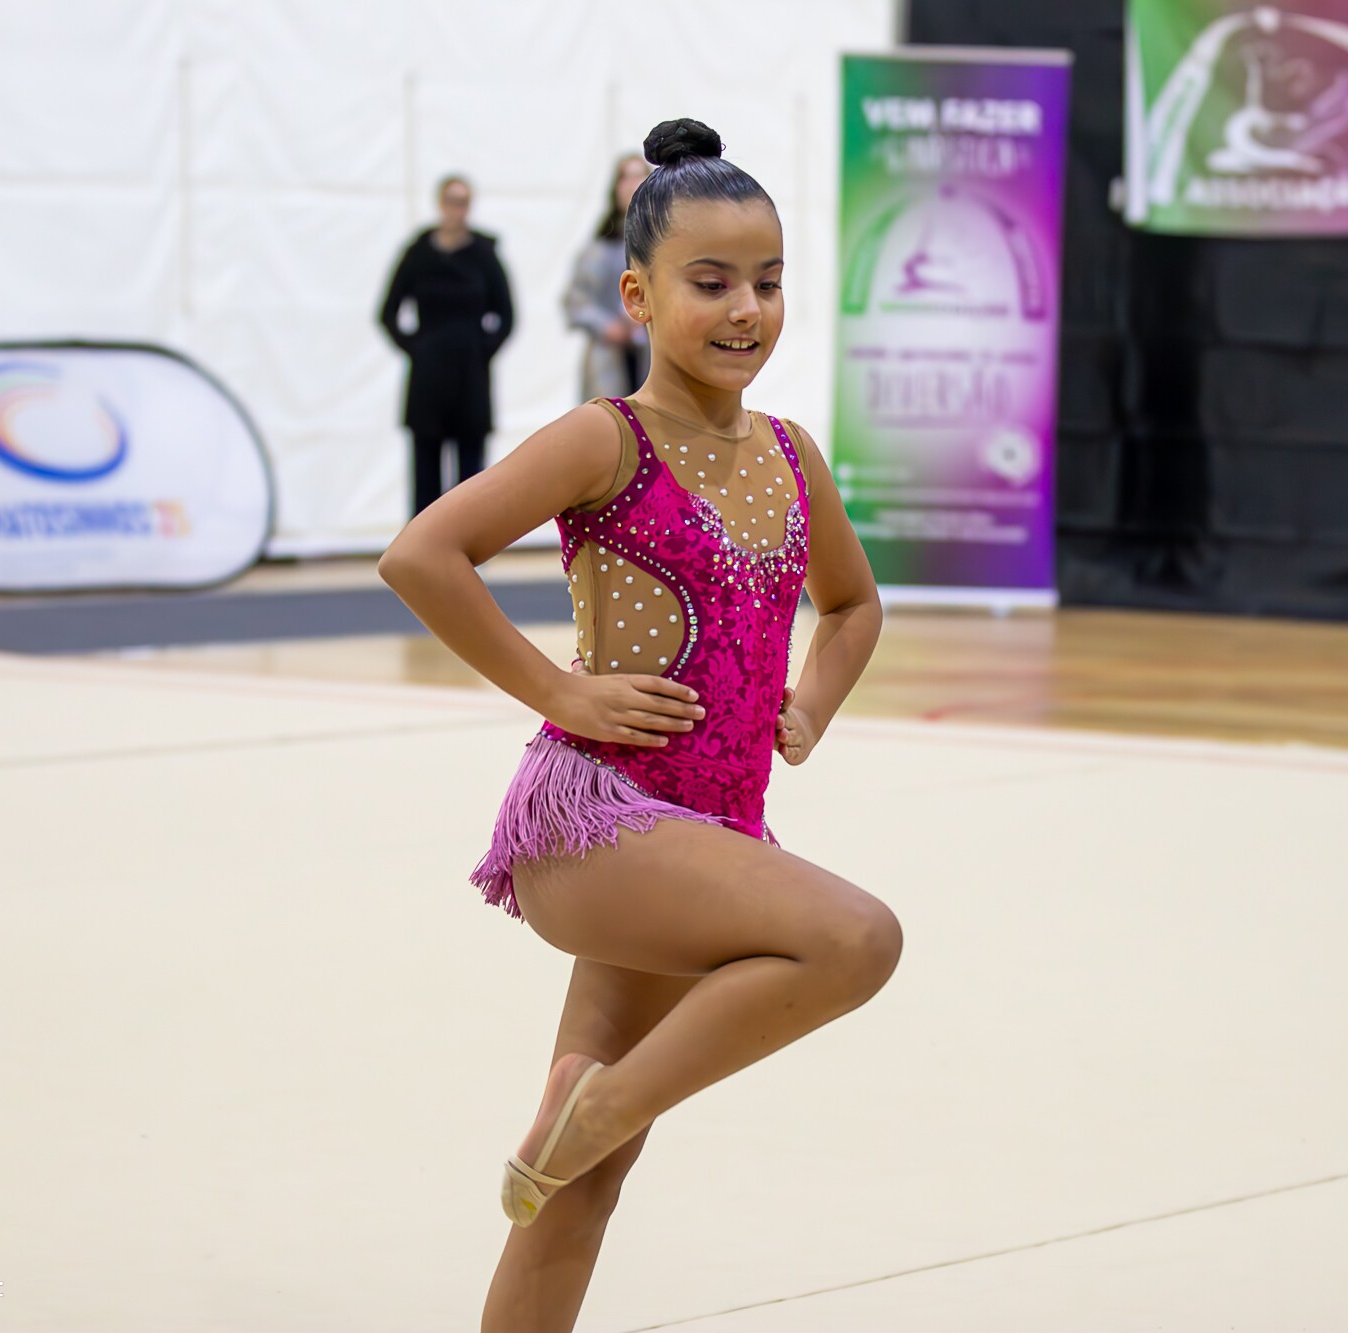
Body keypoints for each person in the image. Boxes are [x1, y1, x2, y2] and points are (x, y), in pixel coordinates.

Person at [377, 119, 897, 1332]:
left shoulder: (790, 453)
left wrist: (807, 702)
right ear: (637, 295)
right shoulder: (604, 437)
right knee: (855, 939)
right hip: (597, 822)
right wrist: (557, 692)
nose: (745, 310)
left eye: (767, 282)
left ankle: (590, 1121)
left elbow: (853, 604)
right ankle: (601, 1102)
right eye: (709, 282)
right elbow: (422, 553)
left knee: (578, 1188)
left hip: (706, 834)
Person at [377, 174, 516, 519]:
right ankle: (423, 538)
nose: (457, 210)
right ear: (440, 204)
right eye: (452, 202)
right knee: (425, 467)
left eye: (463, 202)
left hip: (470, 374)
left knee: (471, 470)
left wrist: (481, 350)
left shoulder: (484, 254)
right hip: (428, 375)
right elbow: (388, 312)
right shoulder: (418, 253)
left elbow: (506, 315)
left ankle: (469, 537)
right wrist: (417, 348)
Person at [563, 154, 652, 399]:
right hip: (610, 357)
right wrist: (607, 326)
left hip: (653, 353)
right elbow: (576, 301)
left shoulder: (665, 243)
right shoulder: (600, 248)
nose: (633, 185)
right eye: (626, 177)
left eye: (639, 176)